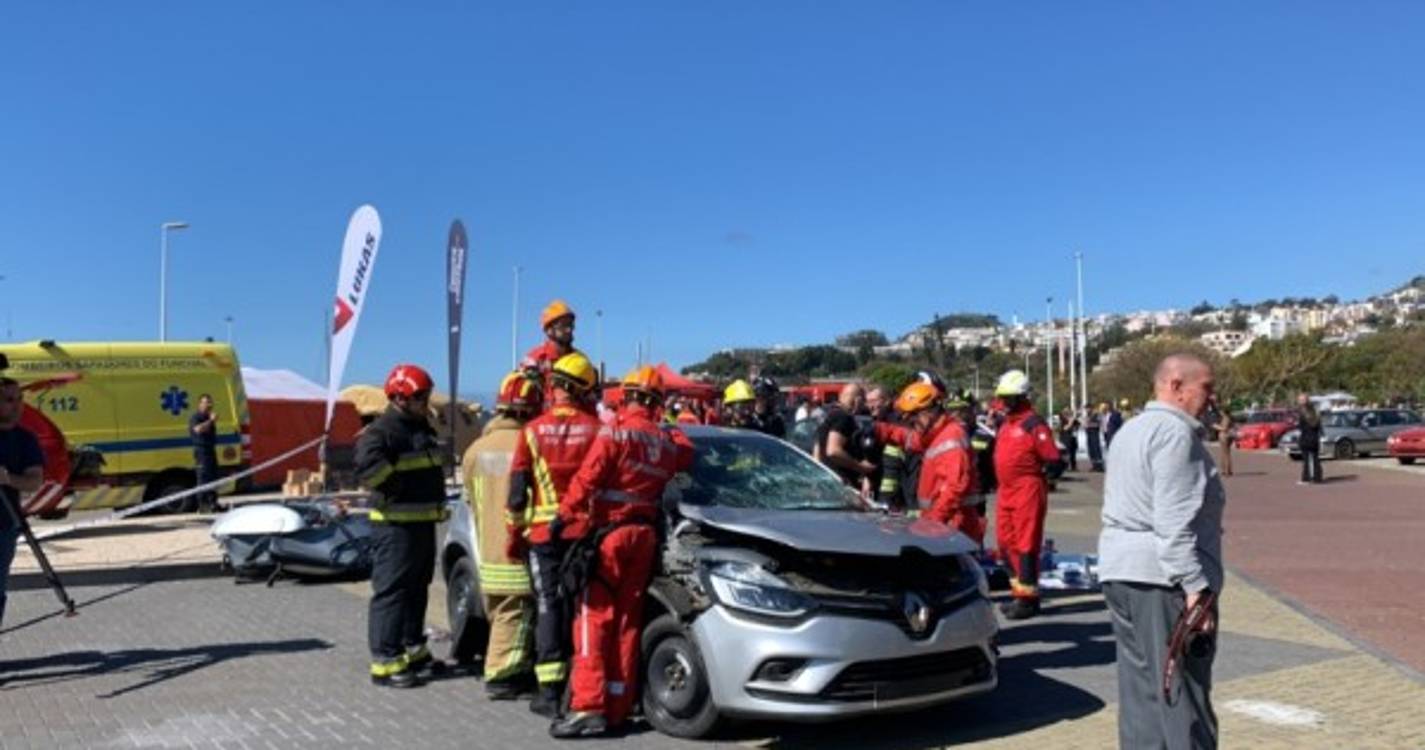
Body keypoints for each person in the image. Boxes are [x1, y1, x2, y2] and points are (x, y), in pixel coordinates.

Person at [548, 366, 694, 739]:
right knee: (627, 623)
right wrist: (670, 425)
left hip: (610, 535)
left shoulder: (615, 432)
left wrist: (563, 516)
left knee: (593, 619)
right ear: (657, 402)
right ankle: (617, 706)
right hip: (644, 538)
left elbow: (588, 477)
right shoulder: (664, 441)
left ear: (628, 395)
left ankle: (587, 706)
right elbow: (686, 453)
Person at [1099, 354, 1225, 749]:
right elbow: (1172, 522)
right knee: (1182, 697)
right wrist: (1195, 589)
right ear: (1175, 385)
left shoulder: (1131, 430)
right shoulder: (1175, 435)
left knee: (1142, 695)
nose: (1211, 396)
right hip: (1163, 579)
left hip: (1122, 571)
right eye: (1204, 387)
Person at [508, 353, 602, 717]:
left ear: (556, 386)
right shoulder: (596, 429)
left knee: (547, 605)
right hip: (583, 534)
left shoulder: (531, 431)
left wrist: (514, 535)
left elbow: (517, 494)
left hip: (543, 536)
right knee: (580, 607)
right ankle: (579, 686)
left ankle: (548, 692)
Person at [356, 364, 449, 688]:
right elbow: (368, 466)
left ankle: (414, 649)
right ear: (399, 398)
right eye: (420, 397)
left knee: (416, 590)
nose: (426, 402)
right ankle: (385, 660)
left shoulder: (420, 427)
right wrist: (396, 489)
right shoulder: (382, 431)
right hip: (394, 526)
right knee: (392, 593)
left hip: (421, 524)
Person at [464, 371, 542, 700]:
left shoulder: (475, 450)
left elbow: (470, 499)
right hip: (517, 548)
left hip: (487, 549)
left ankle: (509, 668)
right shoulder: (530, 447)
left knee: (500, 613)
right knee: (516, 615)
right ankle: (502, 677)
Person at [992, 369, 1064, 620]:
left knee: (1026, 543)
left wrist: (1046, 480)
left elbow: (1054, 460)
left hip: (1027, 488)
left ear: (1021, 397)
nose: (1004, 403)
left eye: (1009, 398)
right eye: (1003, 397)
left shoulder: (1034, 424)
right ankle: (1018, 592)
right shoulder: (1006, 424)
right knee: (1005, 541)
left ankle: (1028, 599)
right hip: (1007, 490)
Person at [872, 382, 984, 543]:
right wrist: (880, 430)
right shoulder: (935, 434)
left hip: (953, 527)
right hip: (945, 523)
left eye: (913, 418)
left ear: (928, 413)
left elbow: (955, 488)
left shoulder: (951, 438)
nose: (912, 424)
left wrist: (933, 522)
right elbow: (910, 438)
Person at [0, 378, 45, 627]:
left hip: (4, 526)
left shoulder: (26, 440)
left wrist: (7, 478)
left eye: (19, 399)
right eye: (9, 400)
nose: (17, 406)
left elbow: (34, 481)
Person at [813, 383, 875, 494]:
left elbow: (817, 449)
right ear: (858, 400)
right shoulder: (843, 417)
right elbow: (833, 451)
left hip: (825, 481)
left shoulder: (828, 415)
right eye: (864, 401)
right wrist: (860, 467)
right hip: (841, 483)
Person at [521, 299, 580, 406]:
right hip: (541, 420)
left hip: (573, 420)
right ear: (549, 330)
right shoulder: (534, 359)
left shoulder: (579, 360)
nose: (569, 330)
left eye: (571, 325)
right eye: (564, 325)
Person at [188, 394, 220, 513]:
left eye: (210, 403)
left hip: (210, 450)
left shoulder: (208, 417)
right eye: (206, 402)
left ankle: (213, 503)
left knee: (213, 477)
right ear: (200, 404)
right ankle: (202, 505)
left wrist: (211, 420)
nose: (209, 405)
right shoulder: (196, 417)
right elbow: (198, 430)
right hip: (201, 451)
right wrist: (211, 421)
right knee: (203, 478)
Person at [1296, 393, 1323, 484]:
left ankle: (1306, 478)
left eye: (1300, 400)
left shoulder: (1303, 412)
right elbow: (1318, 425)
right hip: (1315, 437)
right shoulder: (1315, 411)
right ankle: (1317, 477)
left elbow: (1300, 426)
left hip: (1306, 437)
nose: (1299, 402)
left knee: (1306, 459)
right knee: (1315, 458)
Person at [1213, 400, 1234, 478]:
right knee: (1225, 453)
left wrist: (1216, 426)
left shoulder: (1226, 418)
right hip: (1227, 436)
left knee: (1225, 453)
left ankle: (1226, 470)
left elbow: (1224, 428)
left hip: (1224, 436)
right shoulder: (1229, 417)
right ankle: (1226, 469)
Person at [1058, 408, 1080, 473]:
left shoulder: (1073, 420)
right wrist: (1071, 420)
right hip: (1065, 438)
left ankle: (1074, 466)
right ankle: (1066, 466)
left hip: (1073, 438)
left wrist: (1075, 424)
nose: (1068, 414)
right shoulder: (1063, 421)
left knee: (1073, 452)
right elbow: (1066, 428)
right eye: (1067, 413)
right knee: (1067, 453)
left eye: (1069, 413)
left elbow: (1078, 425)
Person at [1086, 404, 1105, 471]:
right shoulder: (1089, 415)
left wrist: (1089, 424)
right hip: (1089, 433)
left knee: (1096, 449)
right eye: (1086, 409)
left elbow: (1099, 423)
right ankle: (1094, 465)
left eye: (1088, 408)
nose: (1087, 410)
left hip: (1094, 434)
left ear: (1091, 408)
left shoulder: (1096, 414)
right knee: (1091, 450)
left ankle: (1099, 466)